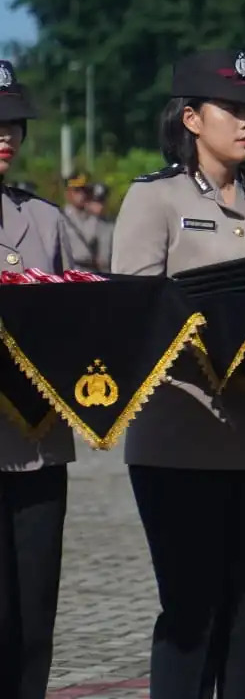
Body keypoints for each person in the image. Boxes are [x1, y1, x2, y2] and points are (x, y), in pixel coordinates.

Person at [112, 49, 245, 699]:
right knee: (193, 616)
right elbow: (130, 320)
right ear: (191, 118)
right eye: (234, 110)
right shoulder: (153, 200)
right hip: (181, 442)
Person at [0, 61, 71, 699]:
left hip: (37, 446)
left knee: (33, 619)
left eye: (13, 122)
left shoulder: (44, 222)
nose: (6, 134)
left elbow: (80, 323)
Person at [60, 172, 108, 272]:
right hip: (71, 271)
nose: (82, 195)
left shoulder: (95, 219)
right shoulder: (60, 218)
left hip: (92, 271)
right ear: (68, 193)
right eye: (77, 191)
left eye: (85, 190)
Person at [85, 183, 113, 272]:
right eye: (95, 201)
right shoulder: (76, 224)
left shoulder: (110, 225)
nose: (99, 206)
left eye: (101, 201)